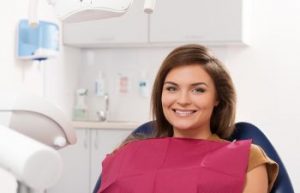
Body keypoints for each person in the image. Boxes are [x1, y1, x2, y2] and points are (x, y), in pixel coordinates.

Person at [95, 44, 279, 193]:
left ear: (217, 98)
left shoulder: (247, 159)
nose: (182, 100)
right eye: (172, 88)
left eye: (198, 90)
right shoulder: (129, 153)